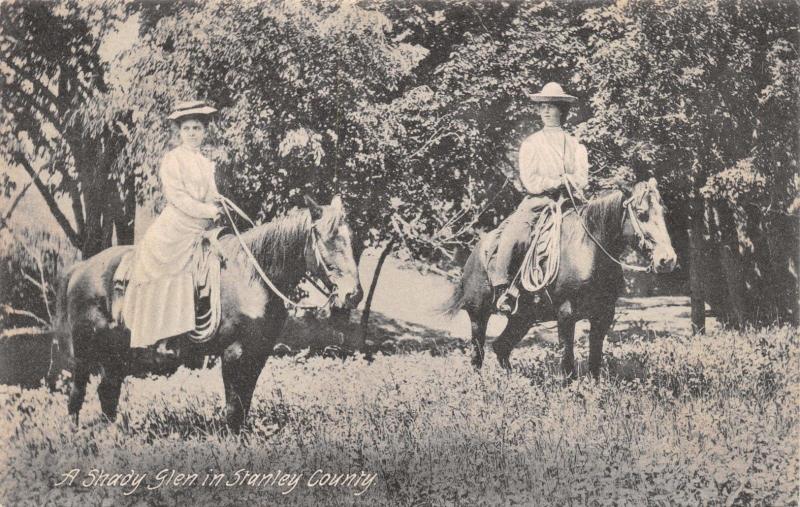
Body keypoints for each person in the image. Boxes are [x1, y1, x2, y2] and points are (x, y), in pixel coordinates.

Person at [122, 100, 223, 349]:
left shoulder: (206, 162)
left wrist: (217, 203)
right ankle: (160, 335)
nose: (192, 134)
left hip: (202, 224)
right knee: (164, 267)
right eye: (187, 128)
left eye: (197, 128)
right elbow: (177, 197)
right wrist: (208, 210)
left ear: (204, 131)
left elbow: (210, 193)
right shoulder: (172, 159)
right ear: (179, 132)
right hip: (175, 225)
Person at [489, 82, 589, 314]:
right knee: (514, 234)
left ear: (562, 111)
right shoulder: (532, 144)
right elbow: (530, 182)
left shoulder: (575, 146)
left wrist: (570, 182)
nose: (545, 111)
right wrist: (556, 181)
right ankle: (504, 288)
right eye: (542, 106)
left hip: (570, 202)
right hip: (538, 201)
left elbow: (582, 178)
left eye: (551, 106)